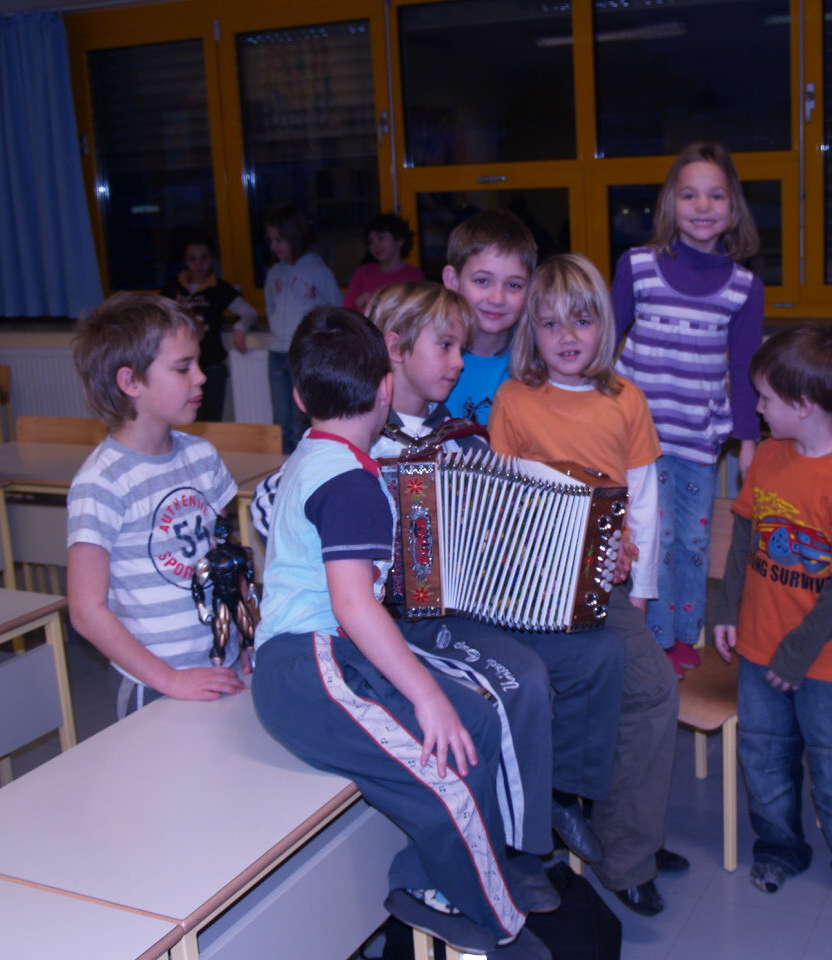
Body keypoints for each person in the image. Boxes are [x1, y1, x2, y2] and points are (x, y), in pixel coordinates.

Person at [246, 282, 624, 901]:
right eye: (446, 347)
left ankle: (557, 795)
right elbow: (274, 510)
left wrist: (585, 549)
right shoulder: (353, 438)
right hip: (398, 621)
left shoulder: (462, 437)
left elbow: (508, 527)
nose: (458, 363)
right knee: (520, 678)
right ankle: (518, 849)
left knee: (597, 653)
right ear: (392, 355)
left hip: (471, 605)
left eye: (461, 350)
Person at [489, 252, 682, 916]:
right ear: (531, 333)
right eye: (550, 324)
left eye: (581, 320)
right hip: (530, 592)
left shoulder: (626, 399)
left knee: (652, 691)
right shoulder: (514, 400)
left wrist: (641, 594)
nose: (567, 337)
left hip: (607, 591)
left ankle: (627, 850)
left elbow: (646, 504)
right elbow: (500, 505)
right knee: (568, 690)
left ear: (604, 323)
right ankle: (582, 821)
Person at [714, 326, 832, 914]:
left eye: (765, 398)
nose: (757, 409)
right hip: (759, 647)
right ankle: (780, 847)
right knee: (764, 758)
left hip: (828, 661)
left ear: (802, 405)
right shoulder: (770, 456)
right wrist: (727, 608)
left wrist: (795, 655)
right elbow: (745, 538)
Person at [612, 141, 765, 679]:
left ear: (733, 206)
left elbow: (745, 369)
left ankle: (682, 635)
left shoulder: (745, 288)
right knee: (652, 538)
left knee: (694, 541)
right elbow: (604, 346)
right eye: (690, 194)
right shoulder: (638, 266)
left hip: (699, 439)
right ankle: (652, 638)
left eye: (716, 195)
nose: (703, 206)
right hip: (638, 438)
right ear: (670, 203)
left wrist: (750, 442)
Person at [66, 292, 245, 720]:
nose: (200, 377)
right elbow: (86, 612)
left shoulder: (203, 456)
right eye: (183, 368)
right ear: (131, 382)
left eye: (197, 363)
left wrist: (250, 637)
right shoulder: (101, 482)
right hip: (155, 682)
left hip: (225, 662)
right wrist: (170, 679)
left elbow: (228, 560)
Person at [442, 209, 536, 426]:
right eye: (482, 281)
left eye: (513, 285)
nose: (497, 299)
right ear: (453, 281)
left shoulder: (538, 362)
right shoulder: (425, 358)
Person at [262, 205, 342, 453]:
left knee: (300, 424)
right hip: (277, 354)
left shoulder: (318, 271)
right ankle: (283, 471)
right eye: (271, 240)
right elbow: (270, 308)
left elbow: (336, 309)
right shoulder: (274, 273)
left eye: (279, 240)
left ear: (295, 236)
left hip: (304, 356)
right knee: (281, 423)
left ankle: (302, 468)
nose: (274, 246)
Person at [161, 231, 259, 422]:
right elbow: (156, 318)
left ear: (213, 258)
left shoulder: (219, 288)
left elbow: (250, 312)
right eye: (193, 259)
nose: (199, 264)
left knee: (212, 420)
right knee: (183, 419)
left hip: (212, 365)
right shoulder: (173, 288)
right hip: (181, 366)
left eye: (204, 258)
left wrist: (240, 327)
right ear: (186, 260)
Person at [344, 213, 426, 313]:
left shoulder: (414, 275)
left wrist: (373, 299)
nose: (375, 245)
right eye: (371, 241)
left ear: (399, 240)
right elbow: (346, 311)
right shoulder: (362, 273)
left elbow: (415, 312)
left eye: (380, 238)